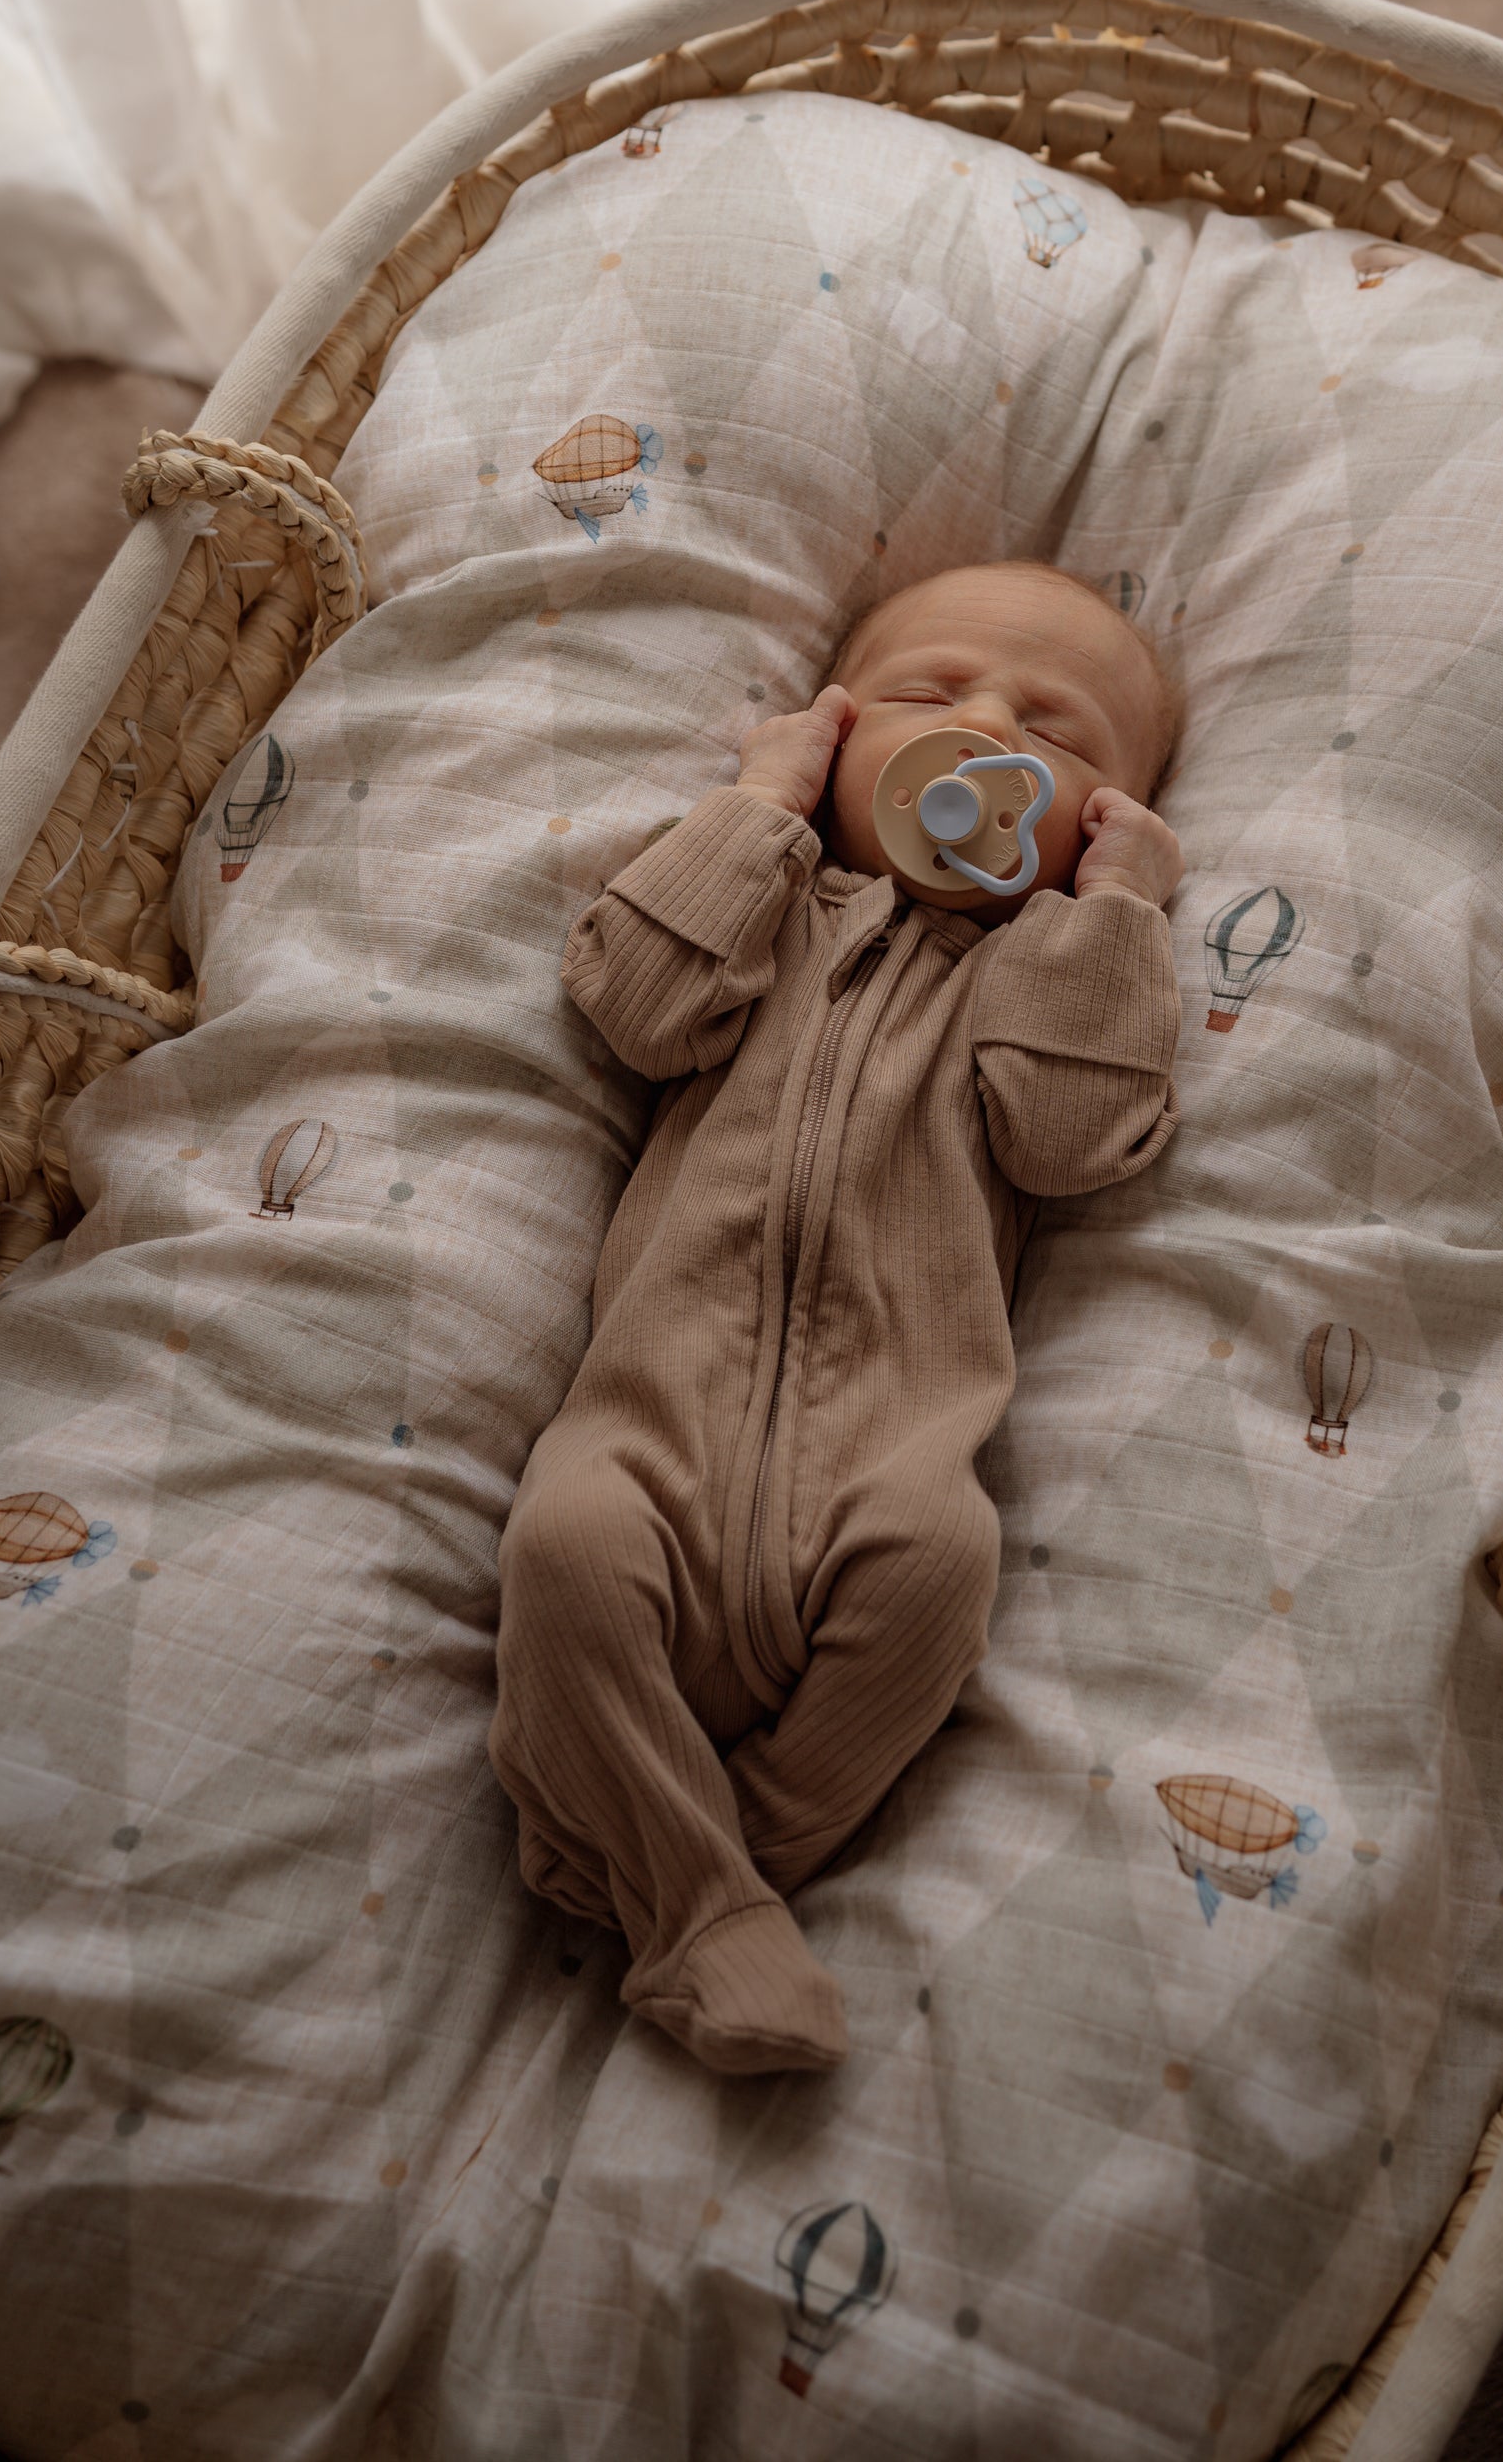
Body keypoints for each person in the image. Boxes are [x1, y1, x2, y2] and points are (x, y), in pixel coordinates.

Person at [488, 562, 1185, 2072]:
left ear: (1102, 821)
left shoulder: (1034, 973)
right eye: (933, 697)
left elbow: (1071, 1140)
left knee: (947, 1573)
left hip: (894, 1451)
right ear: (839, 733)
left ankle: (718, 1859)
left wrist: (1116, 916)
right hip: (652, 1424)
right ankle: (707, 1915)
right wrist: (760, 807)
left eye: (1056, 736)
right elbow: (638, 1003)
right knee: (564, 1551)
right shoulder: (773, 914)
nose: (986, 732)